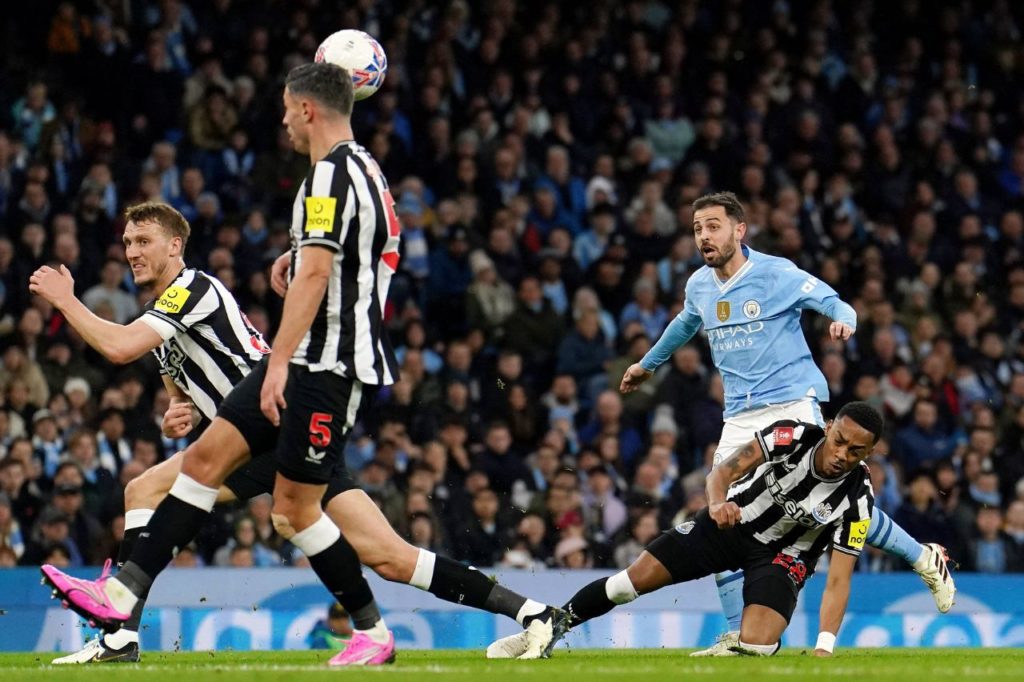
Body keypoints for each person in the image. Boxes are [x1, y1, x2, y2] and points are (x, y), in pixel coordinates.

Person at [36, 64, 566, 666]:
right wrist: (180, 405)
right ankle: (528, 611)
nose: (131, 252)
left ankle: (121, 621)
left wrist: (65, 298)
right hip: (289, 393)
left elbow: (118, 347)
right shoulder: (358, 172)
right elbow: (178, 369)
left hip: (293, 391)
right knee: (377, 550)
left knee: (191, 485)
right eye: (126, 244)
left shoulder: (195, 285)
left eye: (142, 243)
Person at [541, 191, 953, 657]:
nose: (704, 236)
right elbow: (684, 323)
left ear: (739, 230)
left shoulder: (776, 273)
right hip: (738, 415)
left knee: (832, 496)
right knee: (726, 519)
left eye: (713, 226)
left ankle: (923, 557)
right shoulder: (699, 284)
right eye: (698, 228)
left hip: (792, 403)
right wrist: (648, 364)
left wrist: (844, 322)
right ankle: (741, 636)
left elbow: (836, 302)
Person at [494, 402, 885, 657]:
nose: (840, 455)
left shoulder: (859, 500)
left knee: (759, 644)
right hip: (730, 525)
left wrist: (825, 647)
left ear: (870, 453)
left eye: (856, 452)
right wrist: (716, 503)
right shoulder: (791, 436)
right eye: (839, 441)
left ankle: (739, 645)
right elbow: (724, 472)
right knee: (628, 583)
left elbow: (838, 580)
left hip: (785, 559)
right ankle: (550, 626)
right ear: (829, 426)